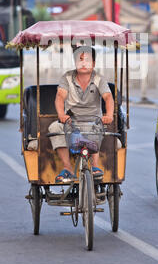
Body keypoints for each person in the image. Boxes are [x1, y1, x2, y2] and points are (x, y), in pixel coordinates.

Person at [47, 46, 114, 183]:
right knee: (55, 128)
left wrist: (109, 115)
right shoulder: (67, 77)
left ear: (94, 63)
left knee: (97, 129)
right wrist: (61, 114)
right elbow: (60, 96)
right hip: (72, 121)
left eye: (87, 60)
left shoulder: (99, 79)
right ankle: (68, 169)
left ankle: (95, 166)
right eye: (80, 59)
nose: (83, 63)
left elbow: (108, 97)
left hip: (93, 121)